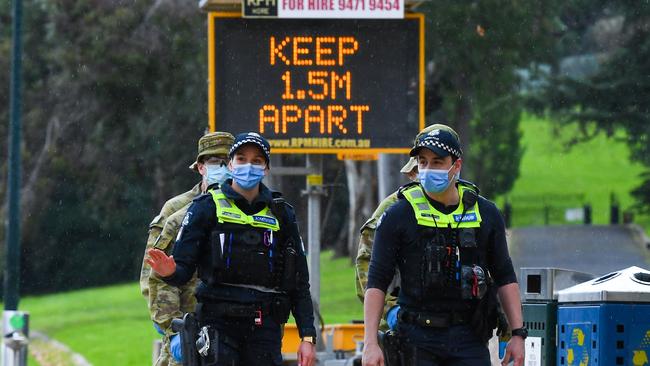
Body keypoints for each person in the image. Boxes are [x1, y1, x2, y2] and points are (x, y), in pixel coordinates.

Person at [147, 132, 317, 366]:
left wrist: (307, 335)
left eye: (257, 161)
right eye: (241, 159)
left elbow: (299, 281)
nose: (249, 166)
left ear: (266, 168)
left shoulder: (281, 214)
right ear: (230, 164)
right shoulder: (201, 208)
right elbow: (177, 273)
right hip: (216, 326)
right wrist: (170, 277)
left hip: (265, 328)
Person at [362, 125, 526, 366]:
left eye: (437, 162)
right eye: (423, 162)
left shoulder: (486, 214)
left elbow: (504, 275)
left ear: (456, 166)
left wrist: (517, 334)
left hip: (469, 337)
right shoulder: (397, 214)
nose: (428, 169)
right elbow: (376, 280)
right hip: (416, 339)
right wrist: (370, 343)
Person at [140, 132, 235, 366]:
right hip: (189, 325)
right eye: (214, 162)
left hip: (235, 328)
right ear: (201, 167)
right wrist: (173, 327)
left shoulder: (249, 209)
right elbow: (155, 272)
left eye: (227, 162)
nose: (221, 168)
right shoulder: (177, 211)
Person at [355, 124, 457, 331]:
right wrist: (389, 311)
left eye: (436, 164)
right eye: (420, 167)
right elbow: (367, 266)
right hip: (407, 320)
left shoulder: (465, 209)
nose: (424, 174)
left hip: (459, 325)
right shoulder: (394, 209)